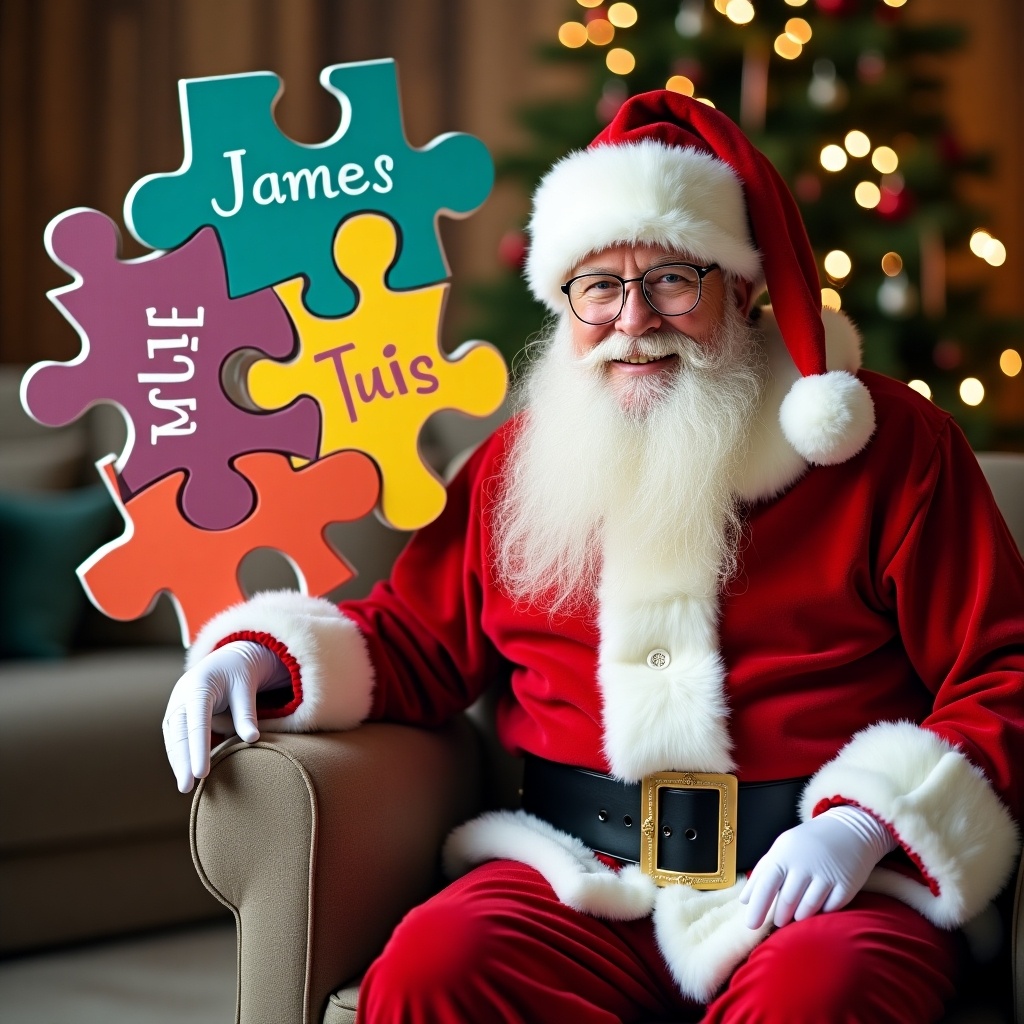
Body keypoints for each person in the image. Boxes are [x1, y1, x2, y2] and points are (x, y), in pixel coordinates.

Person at [163, 91, 1023, 1022]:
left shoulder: (889, 446)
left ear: (743, 287)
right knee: (435, 965)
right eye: (599, 285)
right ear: (564, 302)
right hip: (574, 874)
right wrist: (261, 653)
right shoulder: (516, 466)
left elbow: (1004, 671)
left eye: (672, 281)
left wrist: (866, 824)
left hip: (819, 888)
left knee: (827, 993)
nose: (631, 319)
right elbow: (416, 639)